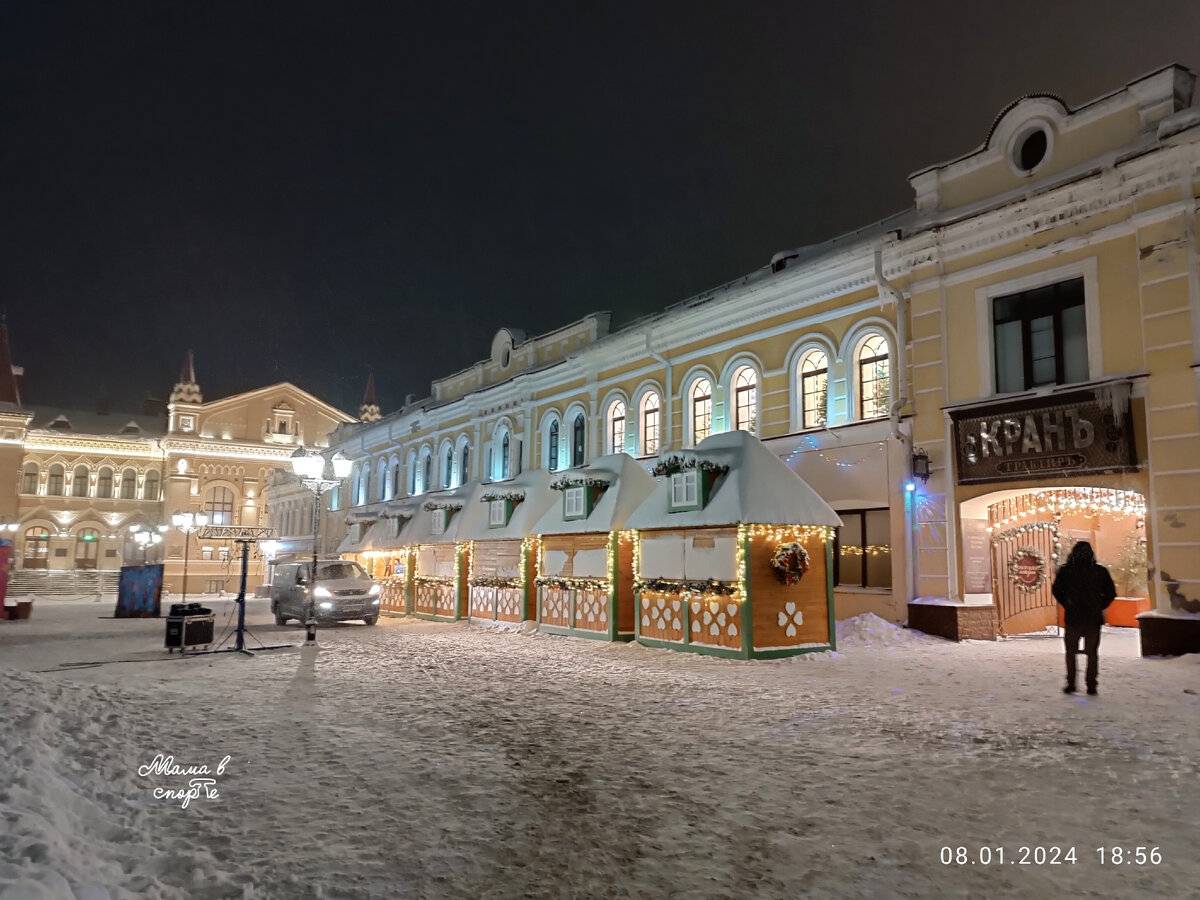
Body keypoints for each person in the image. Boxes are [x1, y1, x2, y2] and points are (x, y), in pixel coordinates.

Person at [1051, 541, 1116, 696]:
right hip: (1093, 618)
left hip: (1073, 617)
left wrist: (1068, 603)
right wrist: (1099, 605)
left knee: (1070, 652)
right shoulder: (1100, 571)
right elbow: (1111, 593)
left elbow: (1057, 590)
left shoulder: (1066, 571)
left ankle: (1071, 683)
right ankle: (1091, 685)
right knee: (1092, 653)